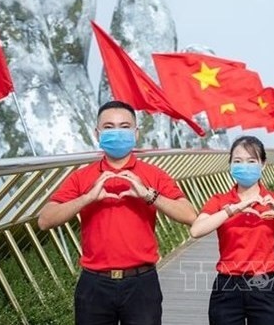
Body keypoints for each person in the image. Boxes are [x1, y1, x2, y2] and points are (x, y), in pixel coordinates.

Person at [38, 100, 197, 325]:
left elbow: (190, 215)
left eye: (124, 126)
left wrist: (148, 195)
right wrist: (87, 198)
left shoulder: (153, 175)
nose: (117, 132)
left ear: (136, 132)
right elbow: (45, 220)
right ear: (98, 133)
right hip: (94, 284)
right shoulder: (82, 177)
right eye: (109, 127)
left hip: (141, 283)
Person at [190, 135, 274, 325]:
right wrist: (232, 209)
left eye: (251, 161)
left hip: (263, 285)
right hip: (227, 286)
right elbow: (196, 230)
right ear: (230, 165)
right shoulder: (220, 201)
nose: (244, 166)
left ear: (263, 164)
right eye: (238, 161)